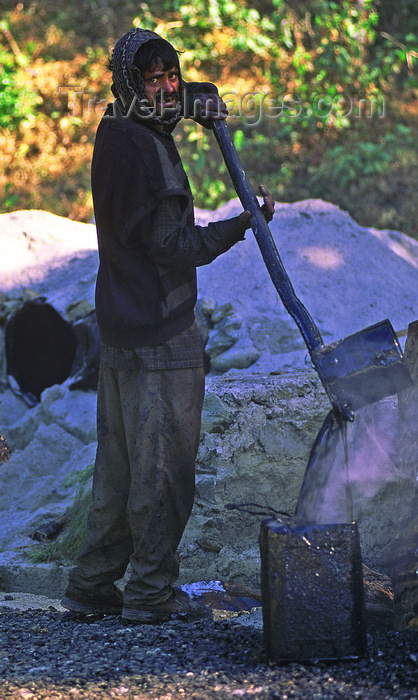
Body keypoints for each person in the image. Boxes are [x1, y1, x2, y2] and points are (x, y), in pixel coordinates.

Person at [61, 27, 274, 623]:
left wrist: (196, 94)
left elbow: (165, 106)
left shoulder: (115, 128)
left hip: (120, 329)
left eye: (170, 76)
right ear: (132, 84)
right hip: (161, 331)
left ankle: (92, 583)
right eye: (151, 79)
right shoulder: (151, 157)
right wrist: (242, 224)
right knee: (163, 475)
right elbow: (175, 247)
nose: (164, 89)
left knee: (118, 471)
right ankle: (150, 594)